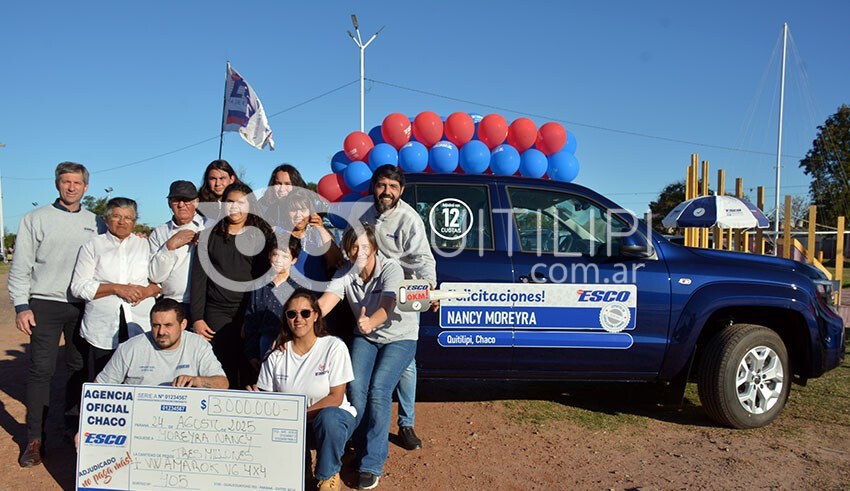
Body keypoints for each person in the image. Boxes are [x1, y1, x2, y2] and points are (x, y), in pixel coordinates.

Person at [8, 162, 103, 467]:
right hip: (44, 305)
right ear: (57, 184)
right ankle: (35, 439)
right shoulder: (35, 219)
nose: (71, 187)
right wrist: (22, 306)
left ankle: (73, 428)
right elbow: (21, 266)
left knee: (78, 369)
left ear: (86, 187)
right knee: (41, 371)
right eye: (66, 182)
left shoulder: (97, 222)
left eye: (77, 182)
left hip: (82, 306)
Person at [318, 224, 417, 490]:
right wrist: (304, 319)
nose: (359, 251)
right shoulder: (345, 273)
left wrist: (371, 322)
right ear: (347, 250)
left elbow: (387, 304)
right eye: (353, 246)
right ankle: (361, 448)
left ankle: (372, 463)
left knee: (379, 390)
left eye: (364, 245)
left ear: (373, 247)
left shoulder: (390, 268)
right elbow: (326, 301)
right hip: (366, 336)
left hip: (400, 336)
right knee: (356, 388)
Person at [358, 164, 437, 451]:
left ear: (401, 191)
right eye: (382, 185)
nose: (387, 191)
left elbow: (424, 260)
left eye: (393, 186)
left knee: (406, 364)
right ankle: (364, 426)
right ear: (374, 187)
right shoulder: (364, 215)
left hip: (403, 296)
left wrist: (429, 289)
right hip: (372, 298)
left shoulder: (409, 219)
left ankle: (406, 424)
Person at [251, 291, 356, 491]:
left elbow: (336, 397)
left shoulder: (334, 346)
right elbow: (266, 397)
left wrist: (298, 416)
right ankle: (300, 468)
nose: (299, 319)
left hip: (329, 421)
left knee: (329, 418)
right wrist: (255, 400)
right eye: (292, 314)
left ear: (316, 315)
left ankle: (328, 475)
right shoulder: (276, 354)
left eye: (305, 313)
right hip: (291, 427)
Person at [190, 182, 273, 388]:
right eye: (230, 202)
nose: (235, 207)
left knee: (248, 368)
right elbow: (199, 281)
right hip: (216, 312)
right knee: (221, 366)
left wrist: (252, 318)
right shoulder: (209, 237)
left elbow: (264, 280)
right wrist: (198, 319)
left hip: (248, 311)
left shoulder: (261, 236)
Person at [71, 198, 161, 375]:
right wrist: (116, 288)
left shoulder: (146, 245)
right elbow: (78, 286)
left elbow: (161, 282)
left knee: (140, 374)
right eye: (116, 216)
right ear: (106, 219)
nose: (122, 222)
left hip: (139, 323)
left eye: (128, 218)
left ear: (135, 222)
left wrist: (146, 291)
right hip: (102, 328)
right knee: (105, 374)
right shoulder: (92, 246)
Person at [95, 298, 228, 388]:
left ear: (183, 324)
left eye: (168, 325)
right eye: (156, 325)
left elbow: (223, 384)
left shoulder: (198, 345)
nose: (161, 332)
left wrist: (196, 381)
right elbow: (99, 387)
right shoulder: (131, 348)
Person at [148, 180, 210, 318]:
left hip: (203, 305)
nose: (181, 205)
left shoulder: (209, 226)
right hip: (170, 304)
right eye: (176, 200)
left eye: (186, 200)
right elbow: (155, 276)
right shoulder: (159, 232)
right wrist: (169, 246)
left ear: (196, 202)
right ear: (169, 203)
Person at [244, 234, 301, 376]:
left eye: (285, 256)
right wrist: (251, 355)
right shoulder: (259, 286)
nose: (278, 260)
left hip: (290, 348)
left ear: (293, 260)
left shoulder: (298, 289)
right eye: (275, 255)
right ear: (269, 255)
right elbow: (251, 322)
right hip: (263, 349)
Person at [257, 164, 308, 229]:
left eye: (287, 184)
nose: (282, 189)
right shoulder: (262, 205)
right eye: (278, 184)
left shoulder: (306, 205)